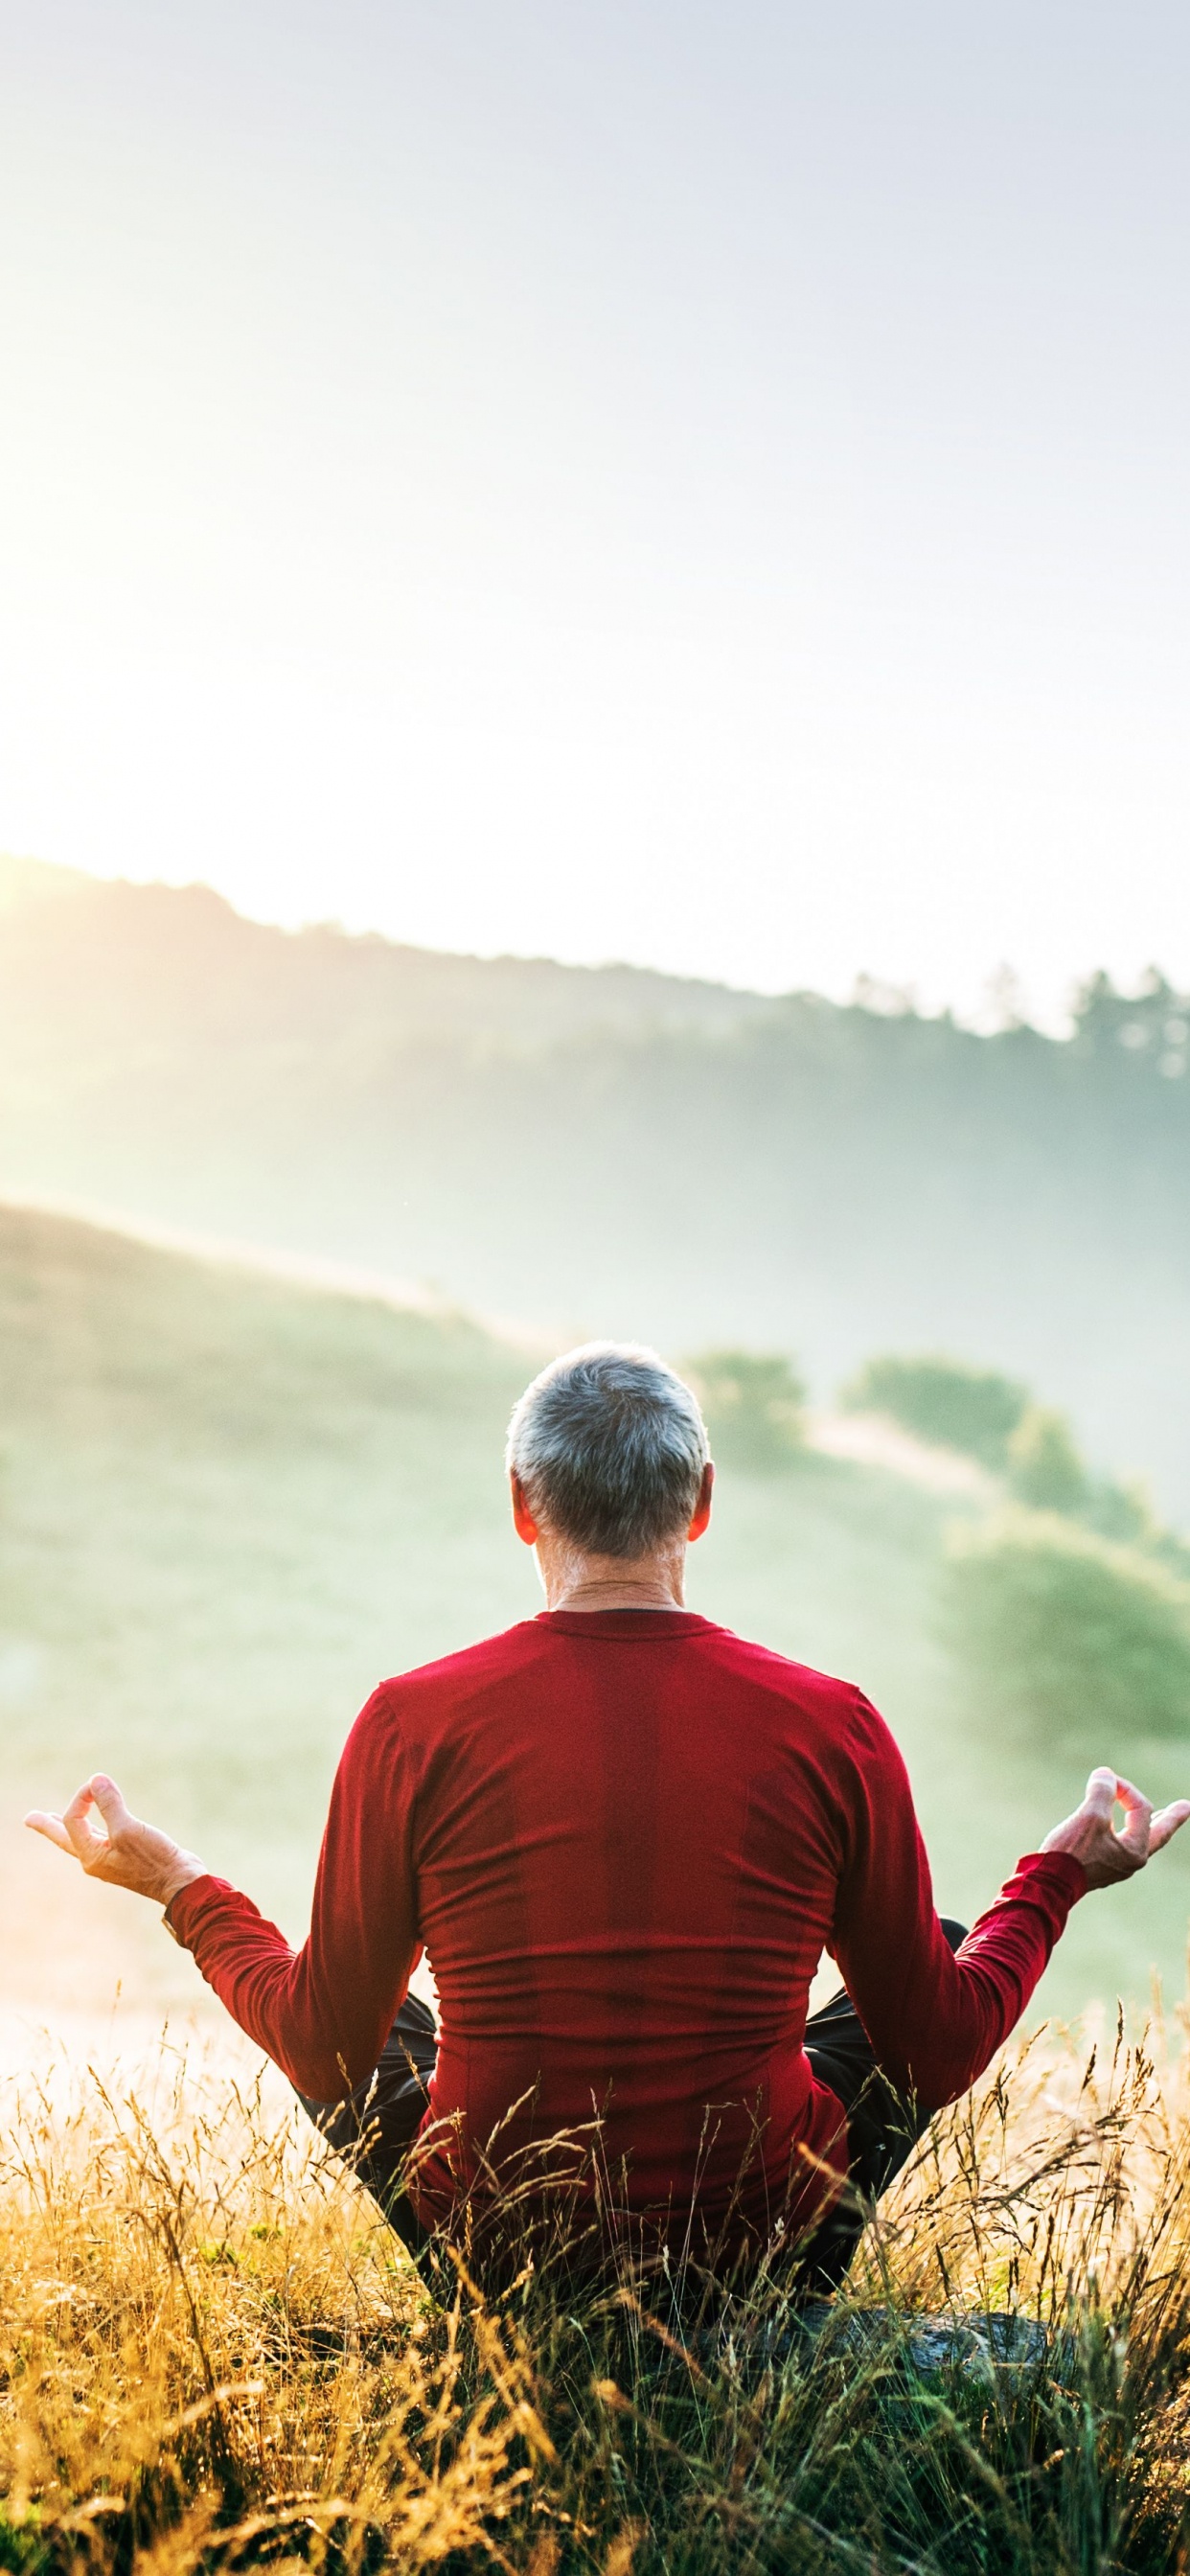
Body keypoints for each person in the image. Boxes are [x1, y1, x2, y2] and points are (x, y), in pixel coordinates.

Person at [26, 1343, 1190, 2300]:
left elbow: (328, 2047)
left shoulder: (408, 1722)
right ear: (703, 1503)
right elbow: (933, 2051)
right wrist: (1059, 1876)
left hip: (497, 2250)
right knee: (935, 1950)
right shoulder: (833, 1724)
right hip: (759, 2253)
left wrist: (184, 1889)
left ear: (523, 1510)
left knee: (355, 2014)